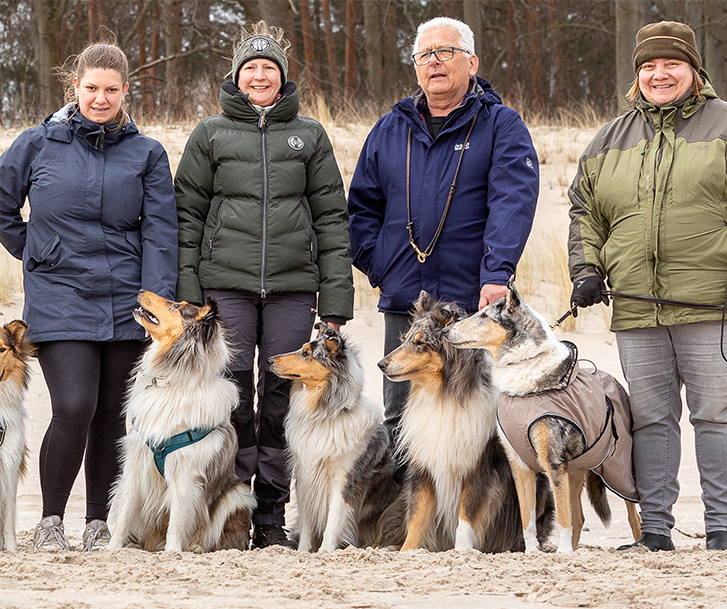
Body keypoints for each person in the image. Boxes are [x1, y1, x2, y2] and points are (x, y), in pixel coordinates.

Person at [568, 21, 727, 552]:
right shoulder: (609, 137)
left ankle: (722, 533)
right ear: (637, 73)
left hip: (715, 302)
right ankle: (658, 531)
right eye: (649, 65)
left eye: (672, 64)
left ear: (694, 70)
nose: (659, 74)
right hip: (638, 306)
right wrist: (586, 271)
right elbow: (585, 213)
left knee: (716, 415)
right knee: (650, 420)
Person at [174, 22, 353, 549]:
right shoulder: (209, 134)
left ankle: (273, 515)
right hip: (223, 287)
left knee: (280, 399)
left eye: (268, 68)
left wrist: (336, 300)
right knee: (231, 398)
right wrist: (188, 290)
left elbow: (331, 221)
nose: (259, 75)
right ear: (236, 77)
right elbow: (187, 216)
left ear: (281, 78)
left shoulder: (310, 135)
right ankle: (233, 513)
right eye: (250, 68)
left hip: (294, 289)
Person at [0, 42, 178, 551]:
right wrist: (36, 248)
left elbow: (161, 232)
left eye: (111, 90)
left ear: (126, 91)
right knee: (75, 405)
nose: (101, 99)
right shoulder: (36, 144)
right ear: (73, 88)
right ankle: (51, 521)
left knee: (111, 414)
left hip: (127, 298)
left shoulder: (146, 153)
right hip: (59, 294)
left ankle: (100, 523)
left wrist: (155, 301)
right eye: (92, 88)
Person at [347, 16, 538, 444]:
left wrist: (495, 274)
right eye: (424, 55)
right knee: (402, 418)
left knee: (474, 419)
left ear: (471, 62)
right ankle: (407, 513)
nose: (434, 62)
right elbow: (361, 208)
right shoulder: (389, 128)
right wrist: (382, 268)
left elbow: (513, 202)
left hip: (471, 304)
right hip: (404, 302)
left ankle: (473, 513)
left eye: (445, 52)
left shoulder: (501, 125)